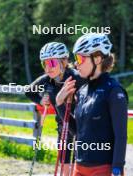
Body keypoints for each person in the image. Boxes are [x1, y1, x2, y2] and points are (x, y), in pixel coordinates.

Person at [56, 33, 128, 176]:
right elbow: (77, 130)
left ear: (98, 59)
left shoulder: (114, 91)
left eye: (80, 58)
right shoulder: (82, 91)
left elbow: (121, 136)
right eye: (76, 58)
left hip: (103, 169)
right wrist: (59, 103)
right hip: (80, 166)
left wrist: (117, 169)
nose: (76, 63)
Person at [25, 42, 86, 175]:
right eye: (44, 64)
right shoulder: (47, 80)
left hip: (80, 127)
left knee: (78, 166)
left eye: (51, 63)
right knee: (64, 165)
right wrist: (41, 100)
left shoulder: (78, 78)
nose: (48, 68)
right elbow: (29, 91)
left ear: (64, 61)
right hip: (62, 126)